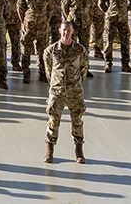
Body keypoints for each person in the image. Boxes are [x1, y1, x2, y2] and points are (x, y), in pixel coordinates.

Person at [44, 21, 88, 164]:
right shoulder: (50, 51)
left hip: (74, 91)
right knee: (53, 121)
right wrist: (56, 83)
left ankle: (79, 150)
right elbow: (48, 71)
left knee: (77, 121)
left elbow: (83, 70)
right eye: (63, 30)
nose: (66, 33)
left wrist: (75, 83)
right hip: (57, 91)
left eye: (68, 30)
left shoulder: (80, 50)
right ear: (59, 30)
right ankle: (49, 150)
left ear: (73, 32)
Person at [17, 0, 54, 84]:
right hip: (29, 29)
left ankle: (42, 73)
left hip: (42, 28)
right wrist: (25, 21)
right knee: (26, 52)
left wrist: (46, 20)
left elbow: (51, 8)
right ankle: (26, 74)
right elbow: (20, 8)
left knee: (42, 51)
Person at [97, 0, 131, 73]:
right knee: (109, 43)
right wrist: (108, 11)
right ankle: (108, 63)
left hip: (123, 20)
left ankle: (125, 64)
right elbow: (100, 2)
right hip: (111, 20)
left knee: (125, 42)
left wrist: (127, 9)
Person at [60, 0, 96, 78]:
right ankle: (72, 70)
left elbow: (92, 7)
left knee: (84, 48)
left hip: (85, 25)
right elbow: (64, 8)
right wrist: (69, 21)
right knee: (72, 48)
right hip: (73, 26)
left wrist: (88, 19)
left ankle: (84, 69)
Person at [0, 0, 25, 72]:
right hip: (2, 20)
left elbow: (23, 3)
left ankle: (15, 62)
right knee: (0, 43)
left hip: (15, 21)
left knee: (15, 42)